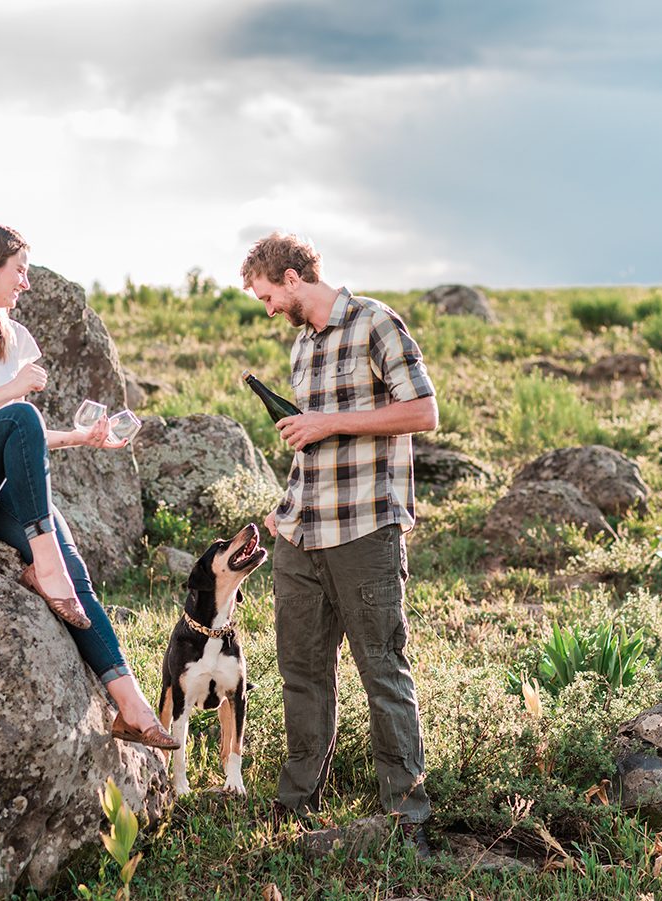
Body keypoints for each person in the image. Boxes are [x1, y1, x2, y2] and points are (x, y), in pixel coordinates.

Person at [0, 222, 177, 750]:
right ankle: (44, 568)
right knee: (19, 415)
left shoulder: (13, 339)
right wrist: (13, 389)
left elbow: (22, 436)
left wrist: (80, 438)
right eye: (18, 270)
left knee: (74, 575)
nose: (25, 282)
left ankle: (130, 707)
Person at [241, 232, 438, 850]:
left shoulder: (376, 323)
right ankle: (295, 806)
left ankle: (407, 819)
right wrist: (285, 507)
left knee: (381, 668)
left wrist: (329, 421)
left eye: (268, 294)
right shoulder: (301, 348)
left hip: (366, 528)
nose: (267, 307)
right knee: (301, 671)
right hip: (302, 532)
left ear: (294, 279)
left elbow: (423, 412)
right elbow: (317, 446)